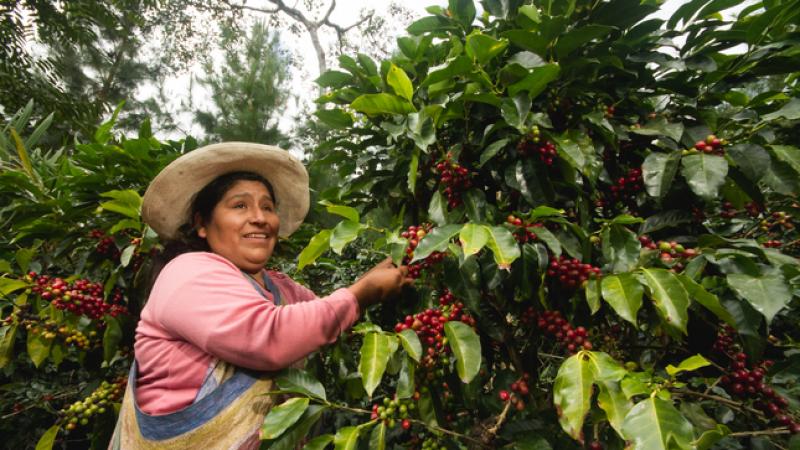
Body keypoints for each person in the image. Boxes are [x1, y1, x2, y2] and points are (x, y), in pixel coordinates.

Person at [109, 142, 412, 449]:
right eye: (240, 206)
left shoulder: (281, 289)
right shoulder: (186, 273)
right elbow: (269, 336)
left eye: (267, 207)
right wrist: (361, 294)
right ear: (202, 224)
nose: (259, 218)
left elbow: (319, 317)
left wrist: (381, 278)